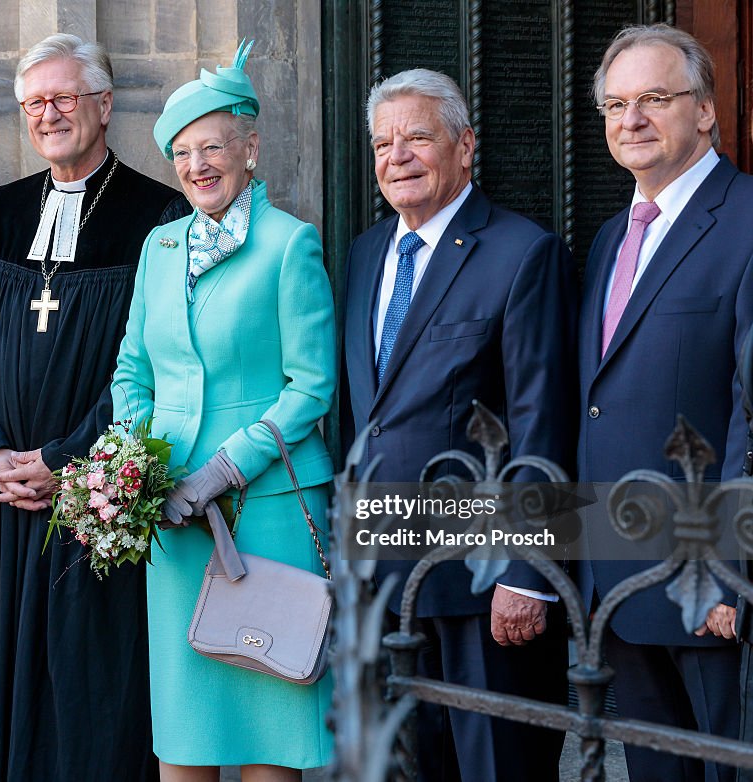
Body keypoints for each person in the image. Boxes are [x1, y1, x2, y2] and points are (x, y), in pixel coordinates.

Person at [0, 33, 187, 781]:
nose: (50, 114)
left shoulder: (158, 217)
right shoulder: (1, 213)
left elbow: (158, 362)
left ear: (104, 107)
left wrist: (63, 458)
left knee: (94, 680)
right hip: (12, 496)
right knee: (15, 670)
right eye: (35, 103)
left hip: (98, 493)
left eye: (64, 98)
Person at [341, 69, 577, 782]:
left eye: (418, 136)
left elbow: (544, 419)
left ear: (465, 145)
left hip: (481, 584)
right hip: (381, 575)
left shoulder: (522, 252)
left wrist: (526, 573)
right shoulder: (365, 254)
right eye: (383, 143)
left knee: (496, 768)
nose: (397, 156)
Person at [111, 40, 335, 781]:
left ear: (250, 147)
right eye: (183, 152)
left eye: (212, 146)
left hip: (264, 508)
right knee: (187, 722)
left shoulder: (289, 244)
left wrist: (226, 467)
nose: (198, 165)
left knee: (271, 718)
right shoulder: (158, 247)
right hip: (171, 512)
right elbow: (131, 370)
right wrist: (131, 462)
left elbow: (311, 386)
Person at [578, 24, 753, 782]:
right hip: (614, 572)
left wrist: (729, 568)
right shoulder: (612, 236)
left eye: (654, 99)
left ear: (705, 111)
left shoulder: (746, 218)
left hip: (708, 582)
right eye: (616, 105)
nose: (632, 121)